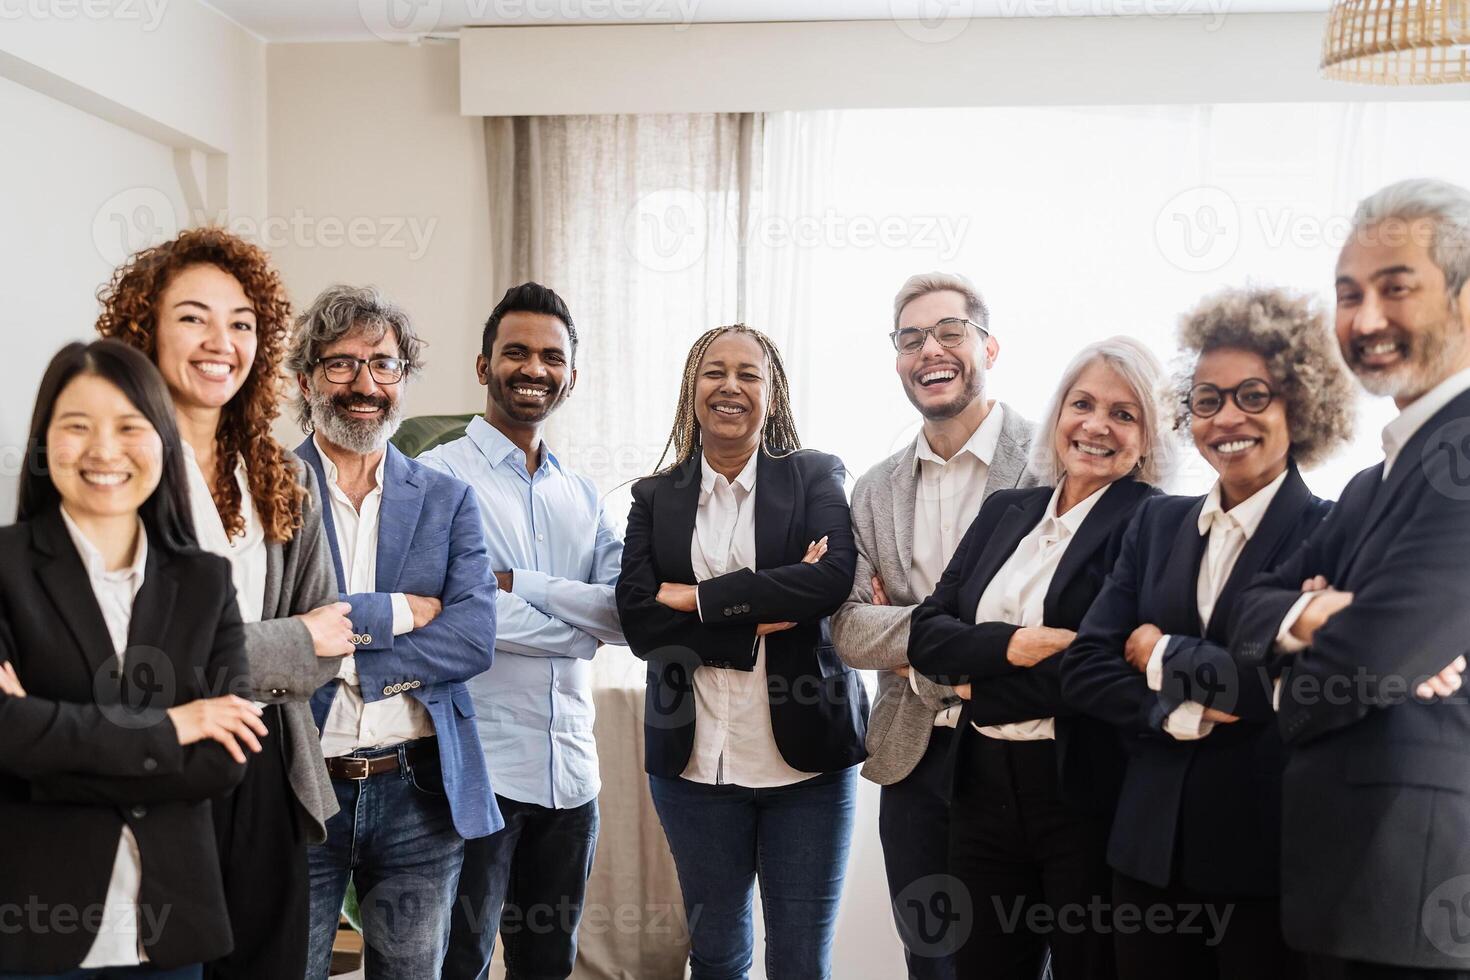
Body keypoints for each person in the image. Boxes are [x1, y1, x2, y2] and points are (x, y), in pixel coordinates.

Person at [1060, 288, 1354, 978]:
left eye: (1254, 396)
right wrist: (1173, 713)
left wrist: (1158, 651)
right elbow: (1085, 668)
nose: (1227, 418)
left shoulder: (1334, 532)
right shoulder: (1156, 524)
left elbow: (1295, 688)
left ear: (1300, 405)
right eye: (1207, 399)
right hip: (1146, 855)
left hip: (1269, 859)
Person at [95, 228, 354, 979]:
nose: (221, 341)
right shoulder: (104, 472)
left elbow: (331, 643)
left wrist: (245, 651)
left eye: (241, 322)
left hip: (267, 769)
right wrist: (282, 645)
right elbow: (122, 661)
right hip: (150, 770)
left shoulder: (280, 480)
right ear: (144, 329)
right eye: (193, 317)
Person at [1228, 179, 1470, 979]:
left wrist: (1302, 645)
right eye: (1348, 294)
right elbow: (1246, 605)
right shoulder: (1374, 482)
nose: (1365, 319)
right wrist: (1323, 616)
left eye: (1396, 288)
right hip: (1346, 888)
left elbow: (1370, 657)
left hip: (1420, 895)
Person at [0, 340, 267, 978]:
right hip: (34, 925)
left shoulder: (205, 580)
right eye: (77, 427)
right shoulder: (5, 568)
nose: (104, 450)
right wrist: (176, 725)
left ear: (161, 441)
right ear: (44, 442)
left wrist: (46, 744)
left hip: (171, 929)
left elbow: (226, 759)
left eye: (128, 426)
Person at [909, 336, 1173, 979]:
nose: (1095, 425)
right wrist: (1013, 646)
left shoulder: (1155, 523)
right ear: (1057, 415)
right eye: (1081, 404)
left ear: (1148, 437)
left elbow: (1104, 669)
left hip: (1082, 792)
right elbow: (927, 633)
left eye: (1123, 413)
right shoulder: (1008, 509)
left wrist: (977, 689)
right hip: (980, 788)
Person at [614, 324, 867, 980]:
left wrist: (697, 599)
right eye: (713, 371)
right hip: (695, 770)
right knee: (718, 956)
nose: (730, 385)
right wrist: (752, 618)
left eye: (748, 374)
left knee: (800, 960)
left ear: (772, 396)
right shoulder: (653, 497)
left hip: (808, 766)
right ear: (691, 391)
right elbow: (640, 622)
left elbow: (830, 580)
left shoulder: (815, 474)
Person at [288, 285, 501, 980]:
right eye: (341, 364)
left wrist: (348, 656)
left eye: (383, 364)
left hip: (418, 788)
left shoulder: (446, 498)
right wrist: (401, 612)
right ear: (306, 379)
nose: (364, 384)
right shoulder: (267, 490)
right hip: (296, 786)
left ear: (403, 380)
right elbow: (260, 633)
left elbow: (471, 638)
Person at [830, 271, 1036, 978]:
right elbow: (851, 630)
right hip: (914, 756)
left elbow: (1057, 623)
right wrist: (968, 635)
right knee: (931, 958)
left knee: (1017, 961)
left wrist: (912, 636)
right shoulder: (874, 488)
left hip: (1023, 753)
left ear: (990, 347)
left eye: (950, 332)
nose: (930, 351)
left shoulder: (1051, 465)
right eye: (911, 339)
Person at [425, 283, 625, 980]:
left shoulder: (585, 492)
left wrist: (527, 586)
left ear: (571, 374)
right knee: (459, 963)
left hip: (571, 776)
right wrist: (579, 631)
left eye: (550, 356)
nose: (533, 368)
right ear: (484, 366)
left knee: (548, 965)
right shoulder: (436, 479)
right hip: (478, 772)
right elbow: (466, 614)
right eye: (516, 352)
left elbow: (626, 614)